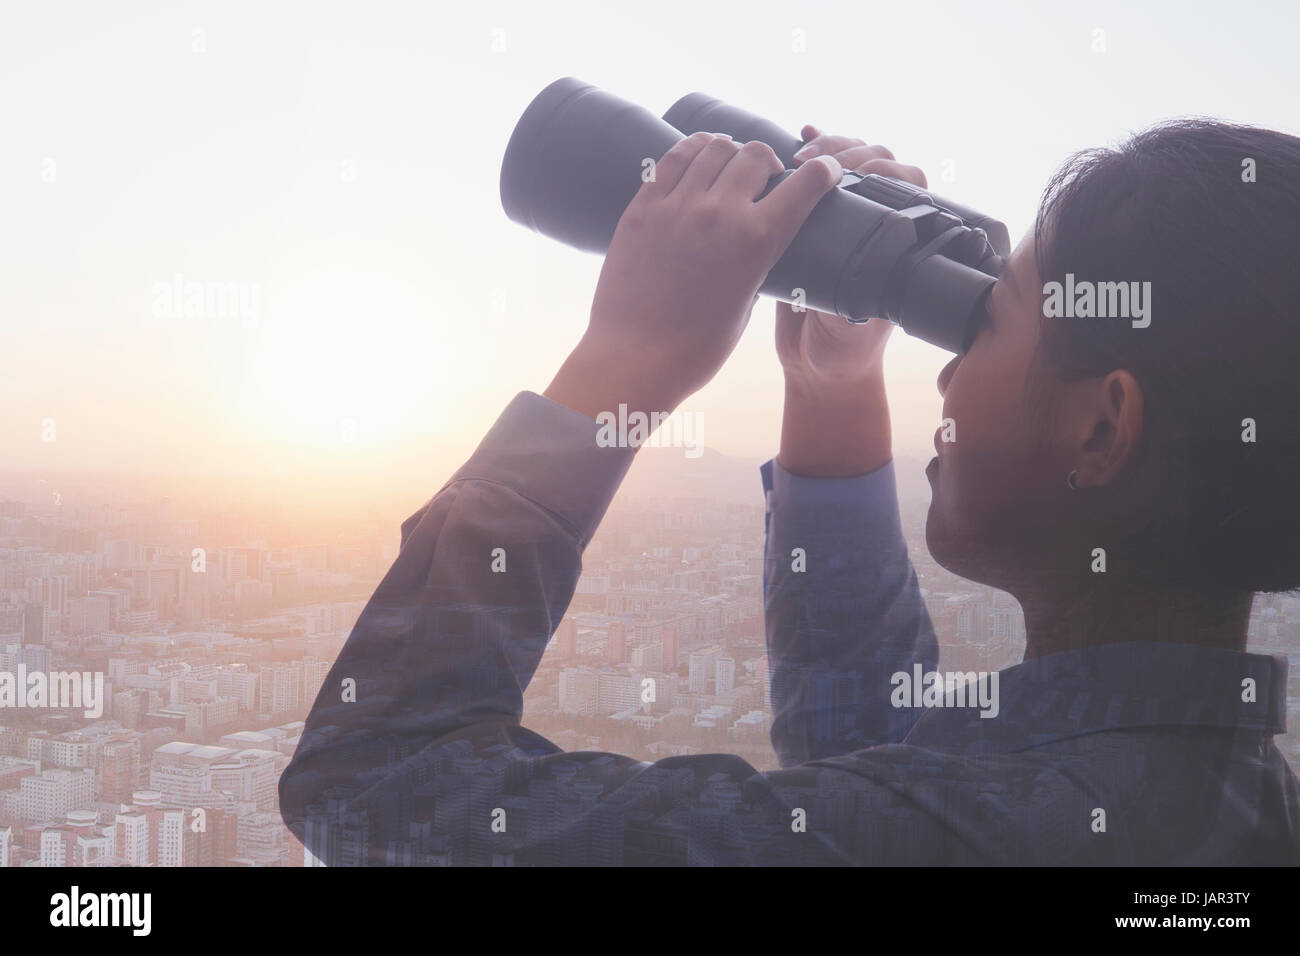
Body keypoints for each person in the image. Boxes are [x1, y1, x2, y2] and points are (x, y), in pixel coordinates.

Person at [279, 122, 1300, 865]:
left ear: (1101, 426)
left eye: (988, 318)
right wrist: (833, 383)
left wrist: (623, 365)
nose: (943, 373)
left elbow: (375, 781)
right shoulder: (1203, 785)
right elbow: (874, 773)